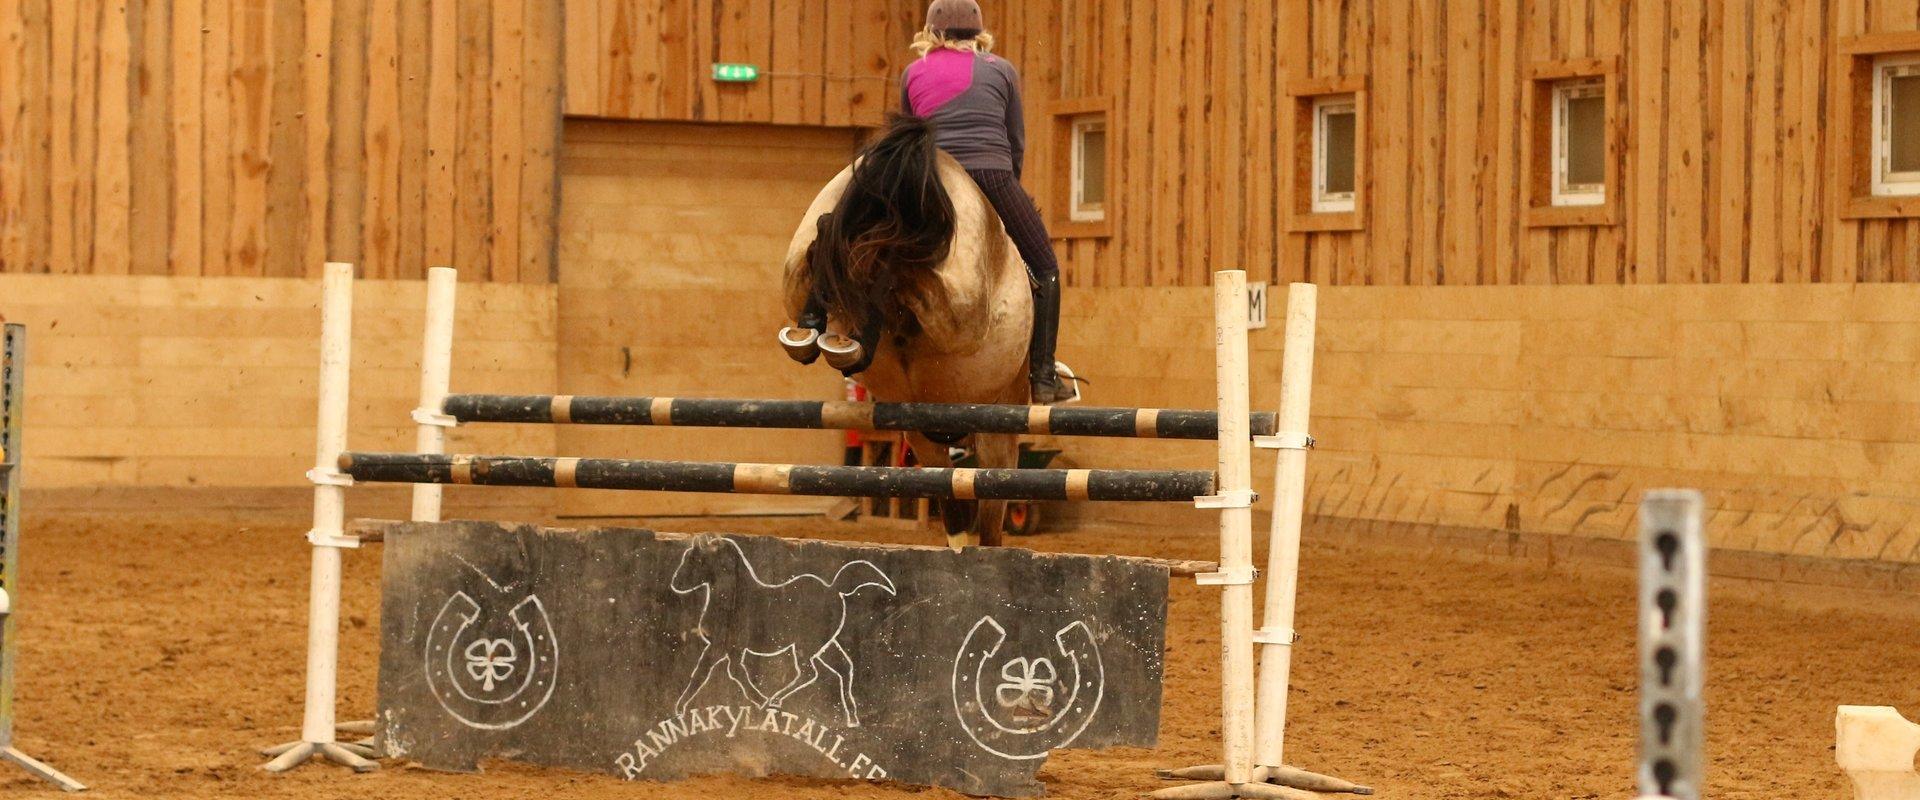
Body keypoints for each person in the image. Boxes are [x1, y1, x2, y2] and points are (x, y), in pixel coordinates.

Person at [901, 0, 1074, 405]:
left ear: (931, 33)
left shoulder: (912, 73)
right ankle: (1044, 377)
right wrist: (1005, 190)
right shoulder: (1001, 69)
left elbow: (907, 140)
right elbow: (1015, 141)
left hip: (933, 183)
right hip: (992, 176)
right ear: (978, 34)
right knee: (1045, 266)